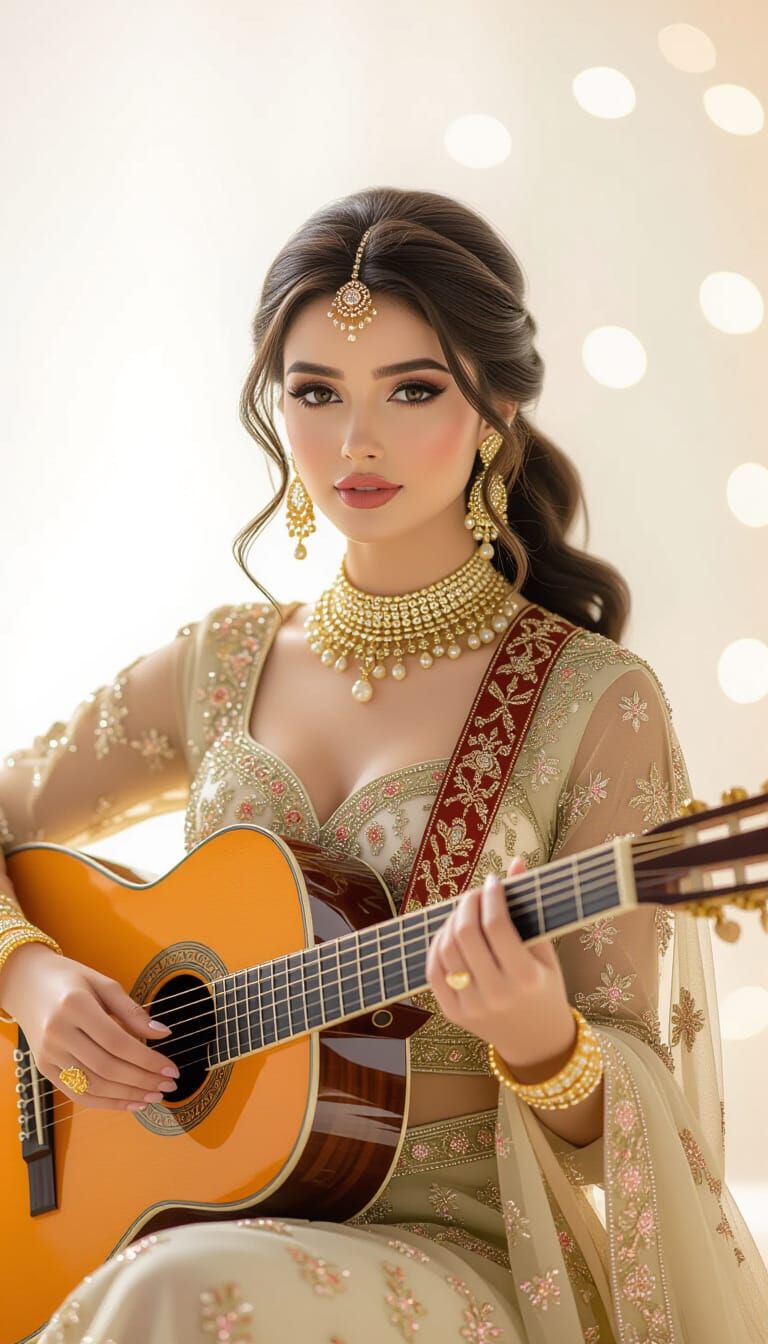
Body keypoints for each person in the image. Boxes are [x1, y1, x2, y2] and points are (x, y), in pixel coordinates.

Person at [1, 186, 766, 1343]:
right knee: (163, 1279)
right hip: (192, 1205)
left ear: (498, 407)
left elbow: (639, 1117)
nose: (356, 442)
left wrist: (541, 1041)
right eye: (316, 394)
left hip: (457, 1248)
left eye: (413, 390)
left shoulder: (589, 700)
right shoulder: (219, 664)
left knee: (173, 1294)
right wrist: (33, 980)